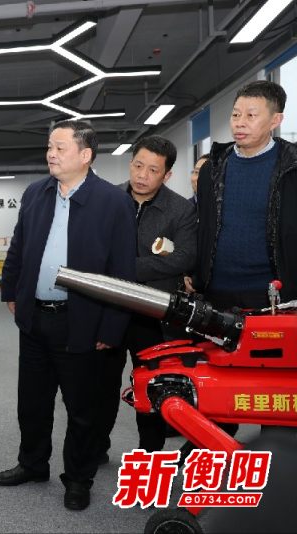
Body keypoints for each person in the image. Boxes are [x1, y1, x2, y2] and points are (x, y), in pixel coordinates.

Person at [0, 119, 136, 511]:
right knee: (32, 403)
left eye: (60, 148)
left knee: (82, 409)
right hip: (36, 319)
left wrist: (112, 327)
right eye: (49, 147)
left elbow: (123, 270)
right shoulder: (36, 193)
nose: (51, 154)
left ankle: (78, 478)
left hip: (83, 321)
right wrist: (12, 291)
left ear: (85, 155)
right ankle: (32, 464)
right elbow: (19, 247)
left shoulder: (113, 202)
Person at [96, 136, 196, 458]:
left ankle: (150, 454)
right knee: (101, 384)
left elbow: (183, 258)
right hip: (109, 308)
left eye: (153, 170)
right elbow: (93, 249)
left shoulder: (181, 209)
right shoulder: (108, 199)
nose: (142, 175)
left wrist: (125, 266)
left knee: (152, 385)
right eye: (138, 165)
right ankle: (96, 446)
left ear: (167, 175)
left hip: (154, 314)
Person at [190, 80, 297, 309]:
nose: (240, 123)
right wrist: (196, 274)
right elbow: (204, 227)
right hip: (216, 293)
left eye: (251, 116)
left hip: (273, 295)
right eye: (236, 115)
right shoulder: (212, 168)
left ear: (275, 120)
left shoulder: (292, 168)